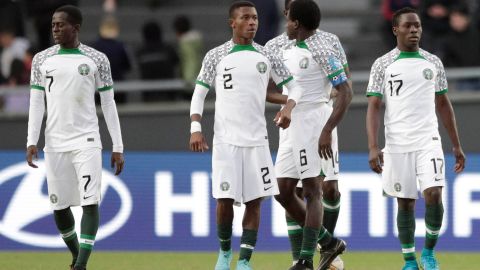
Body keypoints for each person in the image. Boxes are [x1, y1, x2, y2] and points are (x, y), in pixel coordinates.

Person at [189, 1, 303, 270]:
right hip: (225, 141)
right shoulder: (216, 55)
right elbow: (199, 93)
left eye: (255, 18)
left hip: (257, 141)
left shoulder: (266, 56)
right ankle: (224, 254)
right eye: (246, 18)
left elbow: (294, 87)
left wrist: (288, 107)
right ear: (233, 22)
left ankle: (245, 261)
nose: (252, 22)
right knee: (224, 200)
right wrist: (196, 128)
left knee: (254, 202)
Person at [26, 5, 125, 270]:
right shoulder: (41, 59)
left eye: (61, 24)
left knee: (90, 201)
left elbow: (109, 104)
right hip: (55, 142)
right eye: (53, 25)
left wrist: (118, 145)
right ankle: (76, 256)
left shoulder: (97, 59)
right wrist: (31, 140)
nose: (55, 29)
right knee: (59, 207)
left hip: (87, 141)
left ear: (76, 27)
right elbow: (37, 103)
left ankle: (80, 265)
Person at [366, 7, 466, 270]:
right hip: (397, 144)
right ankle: (409, 259)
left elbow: (444, 103)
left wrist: (456, 145)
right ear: (395, 29)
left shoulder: (432, 62)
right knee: (406, 203)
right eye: (408, 26)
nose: (414, 30)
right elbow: (374, 107)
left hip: (428, 141)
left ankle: (429, 253)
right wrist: (374, 146)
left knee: (434, 193)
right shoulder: (382, 64)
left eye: (418, 26)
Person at [266, 1, 352, 270]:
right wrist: (290, 102)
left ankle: (304, 260)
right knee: (282, 190)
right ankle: (327, 243)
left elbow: (346, 89)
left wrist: (326, 129)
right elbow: (268, 89)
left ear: (295, 22)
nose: (286, 22)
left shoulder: (325, 48)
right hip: (291, 124)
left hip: (316, 121)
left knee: (317, 189)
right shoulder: (279, 48)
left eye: (290, 19)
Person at [173, 15, 203, 88]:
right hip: (199, 76)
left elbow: (191, 60)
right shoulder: (196, 40)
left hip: (190, 81)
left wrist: (189, 79)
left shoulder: (185, 43)